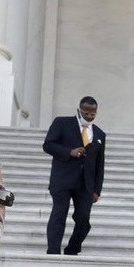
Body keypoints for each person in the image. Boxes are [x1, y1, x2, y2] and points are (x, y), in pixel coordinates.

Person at [41, 96, 106, 256]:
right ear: (79, 110)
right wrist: (69, 152)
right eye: (86, 113)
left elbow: (100, 164)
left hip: (86, 184)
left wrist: (97, 189)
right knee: (59, 214)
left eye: (93, 114)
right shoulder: (62, 123)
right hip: (63, 180)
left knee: (83, 218)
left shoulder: (99, 134)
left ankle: (72, 249)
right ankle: (53, 251)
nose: (89, 116)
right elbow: (48, 145)